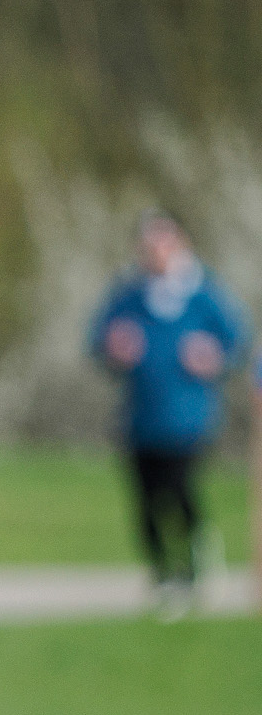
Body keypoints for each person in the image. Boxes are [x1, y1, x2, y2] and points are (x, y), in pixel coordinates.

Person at [88, 211, 248, 615]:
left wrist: (213, 356)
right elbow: (97, 338)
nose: (155, 253)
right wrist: (114, 348)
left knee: (180, 487)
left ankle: (196, 562)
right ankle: (163, 573)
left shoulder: (201, 294)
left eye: (163, 243)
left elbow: (236, 338)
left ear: (180, 245)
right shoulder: (130, 295)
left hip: (189, 416)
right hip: (142, 417)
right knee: (145, 498)